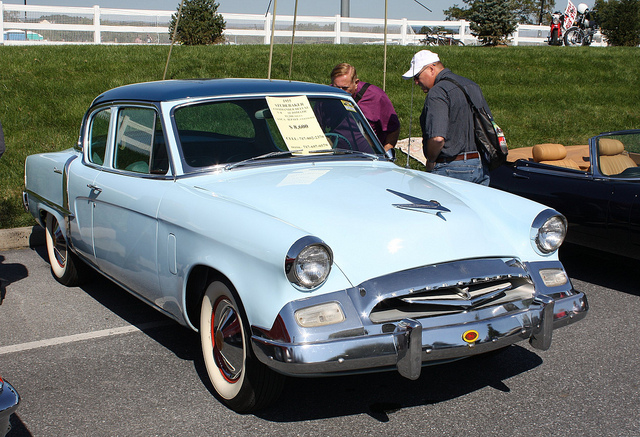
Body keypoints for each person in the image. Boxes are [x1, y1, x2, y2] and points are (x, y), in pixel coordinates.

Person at [402, 50, 490, 185]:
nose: (416, 82)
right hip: (480, 167)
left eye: (417, 76)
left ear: (431, 69)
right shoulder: (471, 85)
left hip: (451, 168)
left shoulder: (437, 92)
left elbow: (437, 138)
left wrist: (431, 161)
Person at [330, 63, 400, 152]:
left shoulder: (376, 97)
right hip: (335, 155)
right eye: (336, 87)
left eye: (345, 88)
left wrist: (386, 152)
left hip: (368, 158)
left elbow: (393, 128)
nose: (340, 92)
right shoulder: (328, 96)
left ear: (356, 83)